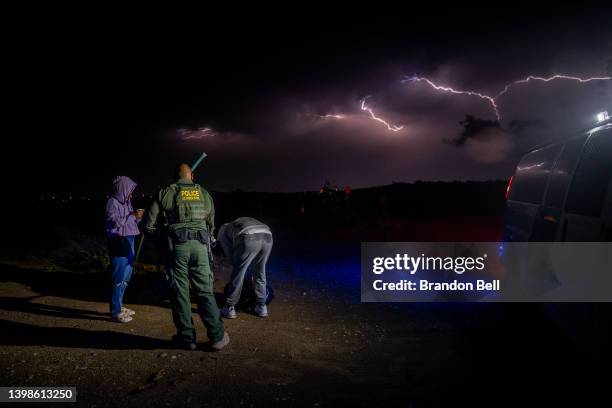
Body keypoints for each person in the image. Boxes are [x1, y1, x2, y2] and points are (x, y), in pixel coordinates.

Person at [145, 164, 229, 351]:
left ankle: (186, 338)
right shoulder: (205, 194)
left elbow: (149, 226)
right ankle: (217, 336)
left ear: (175, 177)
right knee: (204, 291)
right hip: (200, 247)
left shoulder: (165, 192)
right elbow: (211, 226)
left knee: (179, 293)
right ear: (192, 175)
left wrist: (160, 245)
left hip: (176, 248)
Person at [217, 217, 273, 319]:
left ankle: (230, 307)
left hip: (249, 236)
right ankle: (261, 306)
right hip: (268, 236)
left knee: (238, 272)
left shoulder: (222, 232)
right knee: (260, 271)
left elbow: (231, 256)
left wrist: (240, 263)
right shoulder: (236, 224)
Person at [105, 176, 142, 323]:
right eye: (130, 190)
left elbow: (130, 221)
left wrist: (137, 217)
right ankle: (115, 312)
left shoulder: (127, 202)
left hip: (129, 240)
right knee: (118, 278)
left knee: (126, 277)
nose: (131, 194)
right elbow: (114, 222)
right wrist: (132, 216)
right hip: (118, 241)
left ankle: (119, 306)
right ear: (123, 189)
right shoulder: (112, 202)